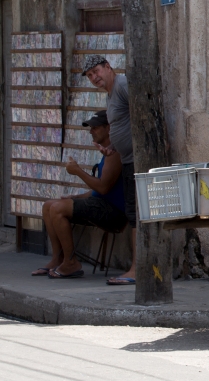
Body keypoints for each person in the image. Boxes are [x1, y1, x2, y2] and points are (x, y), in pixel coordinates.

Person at [34, 112, 136, 282]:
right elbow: (98, 190)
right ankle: (57, 258)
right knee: (49, 205)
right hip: (100, 204)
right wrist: (76, 197)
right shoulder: (106, 151)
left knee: (58, 209)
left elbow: (103, 188)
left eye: (95, 128)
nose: (91, 132)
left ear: (108, 128)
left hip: (113, 212)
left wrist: (78, 172)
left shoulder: (115, 153)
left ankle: (70, 262)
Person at [82, 55, 138, 285]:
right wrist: (113, 146)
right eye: (90, 76)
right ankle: (136, 268)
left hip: (137, 161)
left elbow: (141, 113)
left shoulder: (123, 85)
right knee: (135, 215)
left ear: (108, 67)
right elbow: (124, 123)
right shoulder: (111, 93)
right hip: (126, 158)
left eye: (96, 71)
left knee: (138, 217)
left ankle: (137, 270)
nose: (95, 77)